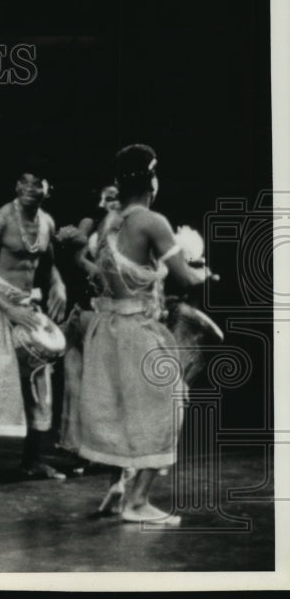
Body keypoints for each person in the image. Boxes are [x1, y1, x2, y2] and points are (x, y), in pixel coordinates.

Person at [77, 144, 212, 524]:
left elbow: (99, 276)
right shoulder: (152, 222)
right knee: (169, 406)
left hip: (108, 333)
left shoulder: (110, 223)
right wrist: (201, 271)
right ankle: (137, 502)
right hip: (138, 332)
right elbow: (185, 278)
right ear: (152, 179)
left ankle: (116, 490)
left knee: (120, 412)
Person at [0, 170, 68, 485]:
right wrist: (7, 307)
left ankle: (31, 461)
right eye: (24, 181)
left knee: (39, 376)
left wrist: (58, 284)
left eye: (38, 183)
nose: (29, 188)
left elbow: (49, 264)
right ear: (16, 184)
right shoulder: (2, 219)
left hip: (25, 305)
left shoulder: (47, 223)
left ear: (49, 188)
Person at [55, 184, 120, 468]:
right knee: (74, 382)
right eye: (105, 196)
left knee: (100, 385)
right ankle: (75, 447)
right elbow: (73, 255)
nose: (108, 201)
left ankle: (100, 449)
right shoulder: (90, 223)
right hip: (82, 310)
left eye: (115, 196)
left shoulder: (125, 227)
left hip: (106, 312)